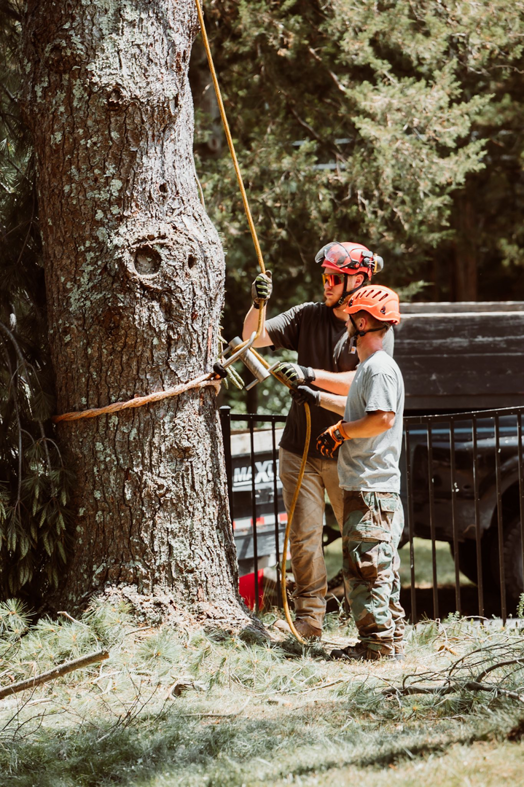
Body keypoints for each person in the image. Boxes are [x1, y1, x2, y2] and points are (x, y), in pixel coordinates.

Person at [242, 242, 392, 640]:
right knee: (304, 539)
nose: (326, 284)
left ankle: (375, 626)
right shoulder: (308, 315)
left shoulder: (371, 324)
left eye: (334, 278)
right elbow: (252, 337)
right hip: (299, 449)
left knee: (360, 540)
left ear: (358, 279)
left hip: (347, 454)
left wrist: (308, 374)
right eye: (324, 276)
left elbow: (359, 383)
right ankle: (309, 621)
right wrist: (259, 303)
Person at [313, 284, 406, 660]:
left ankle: (376, 647)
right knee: (379, 569)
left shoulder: (380, 368)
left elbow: (381, 419)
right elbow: (361, 413)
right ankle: (391, 640)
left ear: (363, 322)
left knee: (366, 571)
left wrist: (340, 432)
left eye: (352, 318)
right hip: (367, 486)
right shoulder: (369, 368)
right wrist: (315, 394)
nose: (347, 324)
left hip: (371, 488)